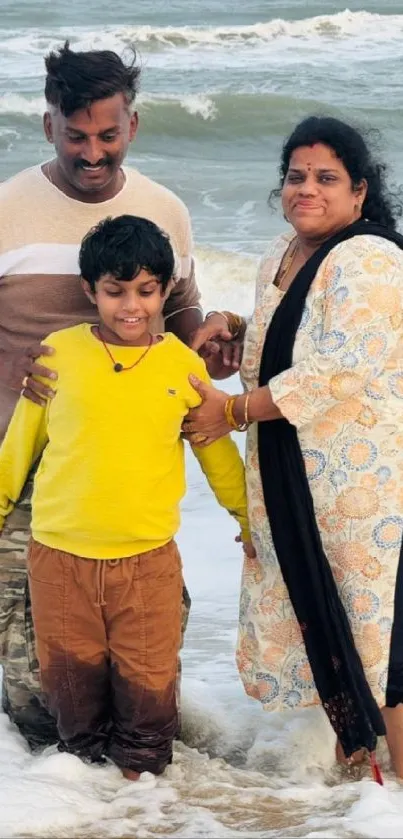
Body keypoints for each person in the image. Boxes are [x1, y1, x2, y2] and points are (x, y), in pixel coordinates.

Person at [0, 41, 205, 748]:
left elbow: (182, 328)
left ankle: (137, 799)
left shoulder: (166, 212)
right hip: (24, 472)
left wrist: (222, 341)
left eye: (108, 136)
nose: (93, 153)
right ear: (47, 123)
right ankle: (60, 803)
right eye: (76, 133)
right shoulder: (6, 209)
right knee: (33, 676)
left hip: (124, 480)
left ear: (133, 127)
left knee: (143, 653)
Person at [184, 116, 403, 780]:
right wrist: (237, 331)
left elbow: (337, 369)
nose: (306, 188)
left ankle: (391, 791)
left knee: (379, 637)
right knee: (326, 616)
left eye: (325, 177)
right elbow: (293, 339)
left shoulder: (369, 257)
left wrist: (233, 412)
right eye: (295, 175)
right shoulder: (281, 253)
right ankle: (355, 790)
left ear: (359, 192)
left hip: (361, 484)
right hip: (296, 478)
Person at [0, 214, 251, 778]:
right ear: (91, 290)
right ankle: (92, 808)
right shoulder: (57, 355)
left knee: (148, 702)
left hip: (146, 563)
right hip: (58, 561)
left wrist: (248, 520)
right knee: (71, 700)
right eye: (115, 292)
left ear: (165, 290)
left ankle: (143, 805)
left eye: (146, 291)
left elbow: (216, 455)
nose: (131, 306)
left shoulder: (182, 367)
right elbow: (18, 452)